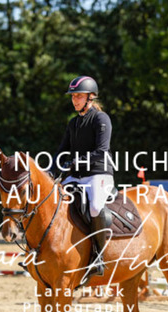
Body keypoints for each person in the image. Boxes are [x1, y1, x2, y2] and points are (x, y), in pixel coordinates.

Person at [50, 75, 114, 283]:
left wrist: (75, 162)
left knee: (95, 207)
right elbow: (62, 151)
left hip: (99, 174)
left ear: (90, 97)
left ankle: (98, 256)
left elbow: (101, 151)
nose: (74, 100)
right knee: (53, 202)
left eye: (78, 96)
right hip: (76, 177)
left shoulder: (101, 119)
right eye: (73, 96)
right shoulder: (73, 123)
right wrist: (51, 171)